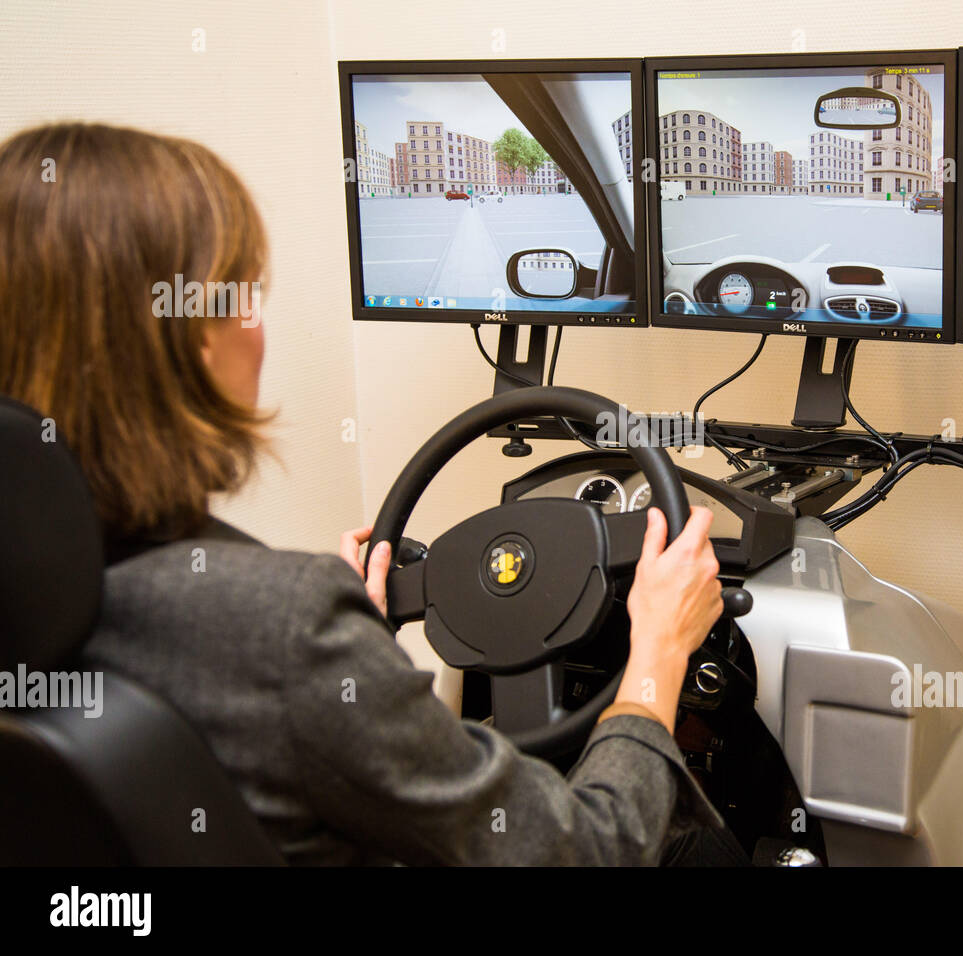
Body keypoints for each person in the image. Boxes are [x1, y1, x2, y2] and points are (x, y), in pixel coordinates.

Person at [0, 122, 727, 865]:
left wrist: (354, 659)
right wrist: (657, 658)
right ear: (187, 338)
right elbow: (592, 850)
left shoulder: (40, 605)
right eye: (241, 294)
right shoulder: (284, 629)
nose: (259, 327)